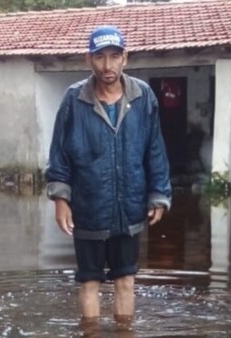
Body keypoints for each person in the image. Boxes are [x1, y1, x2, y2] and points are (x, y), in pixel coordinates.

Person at [45, 25, 172, 321]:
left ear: (125, 58)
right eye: (100, 57)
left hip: (129, 207)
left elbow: (155, 149)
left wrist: (158, 194)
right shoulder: (74, 100)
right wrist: (61, 200)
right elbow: (59, 154)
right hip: (88, 205)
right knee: (89, 281)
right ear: (88, 59)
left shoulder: (144, 97)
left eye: (114, 56)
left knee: (125, 281)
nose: (107, 65)